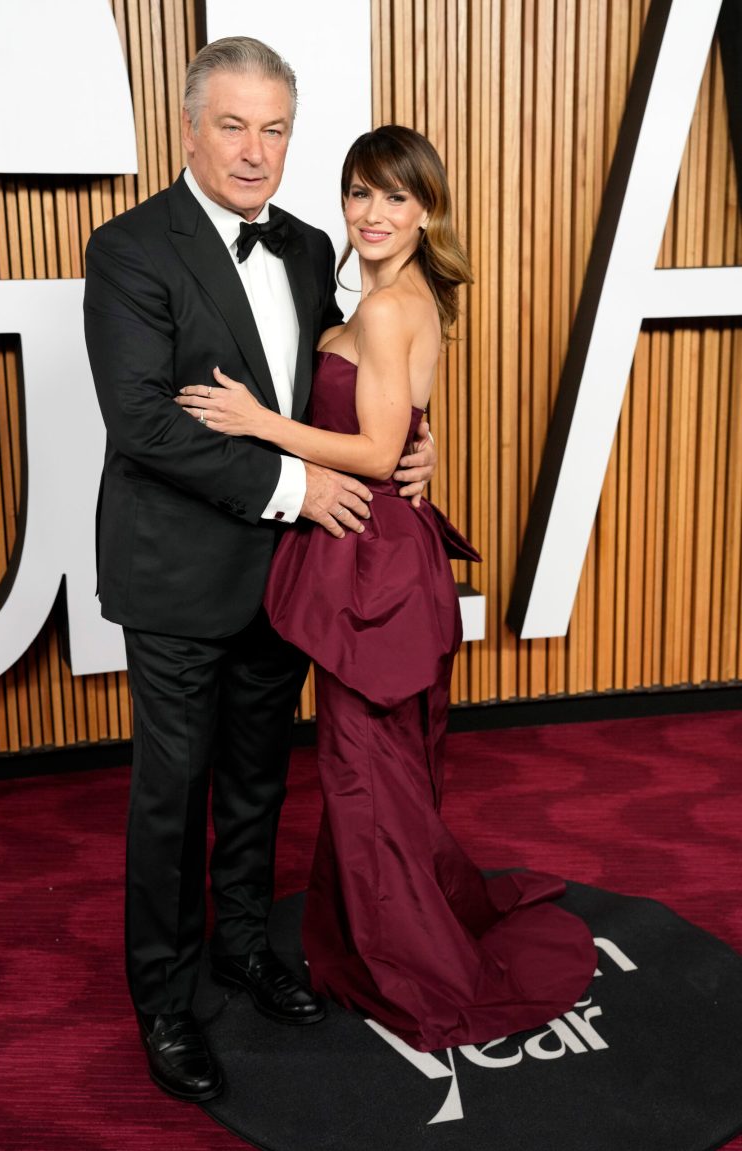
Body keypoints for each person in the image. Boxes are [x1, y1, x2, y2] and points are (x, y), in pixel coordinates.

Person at [176, 125, 598, 1052]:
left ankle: (413, 962)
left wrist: (256, 421)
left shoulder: (392, 306)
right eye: (360, 193)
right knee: (380, 773)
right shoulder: (387, 298)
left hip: (376, 565)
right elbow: (401, 433)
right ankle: (385, 935)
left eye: (396, 198)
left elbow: (372, 453)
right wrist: (418, 443)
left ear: (427, 211)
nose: (372, 214)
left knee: (369, 777)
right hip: (376, 551)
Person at [83, 40, 436, 1101]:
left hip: (287, 578)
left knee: (255, 780)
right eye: (231, 125)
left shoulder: (307, 242)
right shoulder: (131, 247)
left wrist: (405, 439)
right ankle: (165, 996)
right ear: (188, 129)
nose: (253, 150)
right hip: (181, 572)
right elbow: (143, 422)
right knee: (172, 793)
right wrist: (294, 489)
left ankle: (242, 947)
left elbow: (344, 377)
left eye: (274, 128)